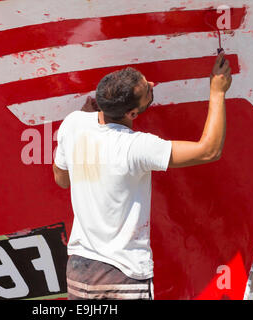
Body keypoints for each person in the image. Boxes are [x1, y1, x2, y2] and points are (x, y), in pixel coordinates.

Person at [52, 51, 232, 300]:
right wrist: (218, 91)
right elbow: (208, 150)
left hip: (79, 271)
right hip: (123, 276)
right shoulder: (137, 147)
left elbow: (62, 180)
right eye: (148, 90)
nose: (152, 84)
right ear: (132, 114)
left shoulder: (73, 123)